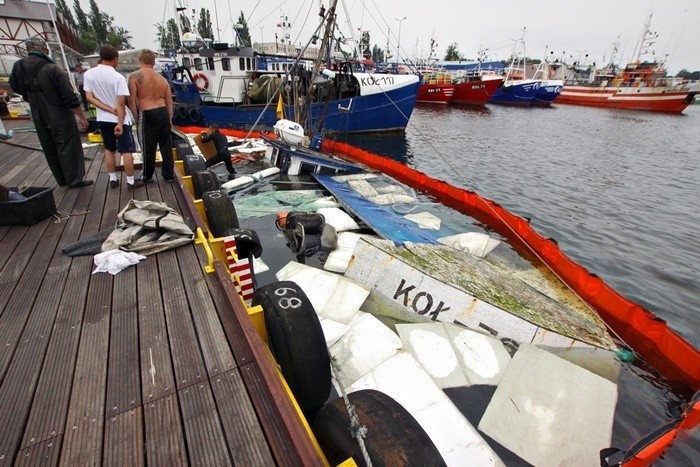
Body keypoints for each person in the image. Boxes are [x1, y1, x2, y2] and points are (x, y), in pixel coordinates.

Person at [9, 35, 92, 188]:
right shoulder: (52, 68)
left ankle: (61, 179)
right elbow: (69, 96)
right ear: (44, 49)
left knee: (48, 145)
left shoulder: (18, 66)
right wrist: (82, 117)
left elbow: (14, 86)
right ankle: (74, 179)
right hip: (58, 111)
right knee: (67, 144)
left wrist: (30, 97)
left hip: (36, 111)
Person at [83, 44, 142, 190]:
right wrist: (120, 123)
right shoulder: (118, 77)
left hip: (103, 118)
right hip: (119, 119)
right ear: (114, 59)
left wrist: (107, 109)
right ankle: (130, 181)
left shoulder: (89, 74)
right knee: (126, 150)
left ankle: (113, 179)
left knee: (109, 149)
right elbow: (121, 103)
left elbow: (89, 97)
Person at [127, 49, 175, 183]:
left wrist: (136, 117)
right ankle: (169, 175)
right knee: (166, 145)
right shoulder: (162, 79)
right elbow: (169, 102)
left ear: (140, 60)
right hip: (163, 112)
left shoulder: (135, 76)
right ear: (154, 62)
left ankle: (147, 175)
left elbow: (131, 100)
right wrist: (169, 118)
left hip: (147, 112)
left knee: (148, 146)